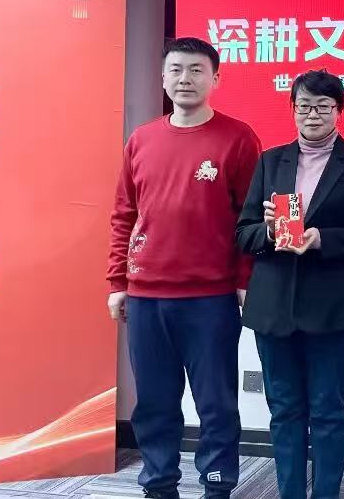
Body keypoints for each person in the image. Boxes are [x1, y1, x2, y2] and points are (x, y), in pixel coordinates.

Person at [107, 37, 260, 499]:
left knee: (216, 404)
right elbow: (123, 214)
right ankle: (159, 486)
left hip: (209, 298)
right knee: (154, 403)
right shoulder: (142, 139)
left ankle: (217, 485)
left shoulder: (238, 137)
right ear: (163, 77)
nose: (185, 79)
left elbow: (251, 217)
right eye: (175, 70)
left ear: (216, 78)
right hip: (146, 296)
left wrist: (245, 280)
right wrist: (117, 281)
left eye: (196, 70)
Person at [235, 70, 344, 499]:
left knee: (328, 410)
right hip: (274, 306)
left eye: (323, 106)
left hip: (333, 307)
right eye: (304, 106)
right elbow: (243, 232)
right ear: (293, 109)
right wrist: (267, 230)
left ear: (339, 110)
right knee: (284, 410)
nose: (312, 114)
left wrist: (321, 239)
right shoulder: (271, 161)